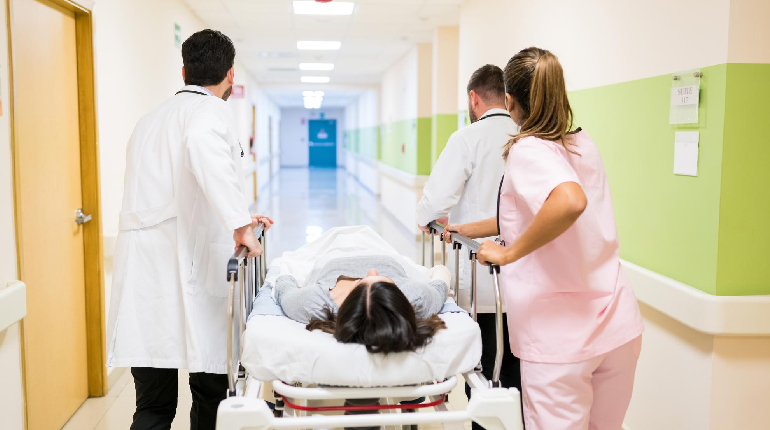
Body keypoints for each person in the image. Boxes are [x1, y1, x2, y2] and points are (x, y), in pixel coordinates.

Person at [445, 47, 644, 430]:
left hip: (561, 340)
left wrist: (509, 254)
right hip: (617, 325)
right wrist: (469, 229)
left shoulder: (528, 149)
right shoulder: (582, 144)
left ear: (510, 101)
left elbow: (569, 201)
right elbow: (536, 214)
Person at [106, 29, 273, 430]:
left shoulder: (149, 120)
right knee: (211, 394)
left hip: (146, 277)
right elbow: (202, 152)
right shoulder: (209, 113)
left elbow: (176, 191)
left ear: (183, 71)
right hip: (190, 270)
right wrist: (240, 226)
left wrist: (240, 216)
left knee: (153, 405)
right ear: (230, 75)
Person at [415, 64, 522, 418]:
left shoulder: (467, 138)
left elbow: (435, 200)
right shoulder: (527, 135)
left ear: (474, 98)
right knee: (517, 374)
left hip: (482, 282)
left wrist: (425, 218)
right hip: (524, 278)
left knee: (483, 372)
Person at [273, 255, 450, 352]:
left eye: (360, 282)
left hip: (327, 252)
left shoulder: (314, 302)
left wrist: (290, 278)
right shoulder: (415, 297)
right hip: (384, 252)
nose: (371, 270)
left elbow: (284, 283)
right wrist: (435, 270)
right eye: (386, 281)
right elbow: (441, 278)